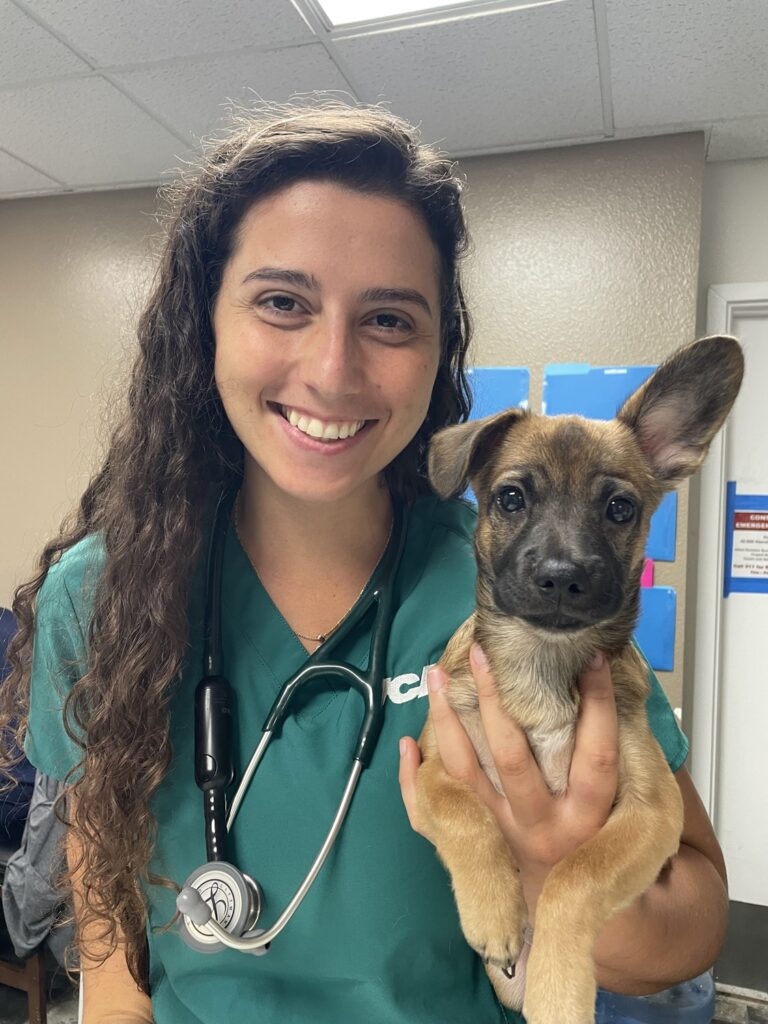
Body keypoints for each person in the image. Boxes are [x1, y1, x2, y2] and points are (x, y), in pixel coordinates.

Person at [0, 102, 727, 1024]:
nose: (333, 368)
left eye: (388, 318)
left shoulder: (524, 598)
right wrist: (110, 998)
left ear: (437, 350)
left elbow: (694, 924)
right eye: (282, 302)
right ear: (205, 323)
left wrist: (558, 879)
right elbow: (100, 861)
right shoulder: (104, 592)